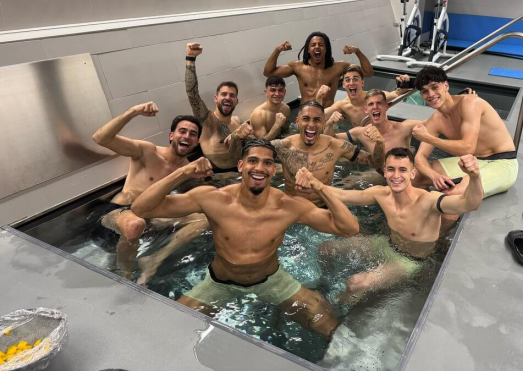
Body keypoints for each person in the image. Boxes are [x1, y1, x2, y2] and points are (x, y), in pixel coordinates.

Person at [131, 139, 360, 337]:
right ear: (241, 165)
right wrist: (183, 172)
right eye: (253, 161)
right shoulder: (213, 199)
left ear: (273, 170)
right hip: (219, 283)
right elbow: (141, 208)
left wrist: (319, 187)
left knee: (330, 327)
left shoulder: (289, 206)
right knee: (171, 326)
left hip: (271, 280)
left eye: (267, 163)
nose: (259, 167)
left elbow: (349, 228)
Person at [310, 147, 483, 302]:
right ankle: (324, 284)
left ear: (412, 174)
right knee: (326, 249)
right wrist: (314, 183)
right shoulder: (381, 194)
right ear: (384, 172)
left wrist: (474, 175)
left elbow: (470, 204)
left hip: (410, 261)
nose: (396, 175)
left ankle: (336, 307)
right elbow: (343, 195)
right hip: (385, 245)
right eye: (391, 169)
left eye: (403, 170)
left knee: (356, 283)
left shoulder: (429, 201)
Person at [92, 102, 205, 278]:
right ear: (171, 135)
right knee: (135, 224)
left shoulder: (189, 169)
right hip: (119, 214)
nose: (187, 136)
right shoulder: (147, 152)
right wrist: (133, 111)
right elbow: (101, 138)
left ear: (197, 142)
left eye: (193, 134)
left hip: (151, 216)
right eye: (182, 131)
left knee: (202, 219)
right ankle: (125, 274)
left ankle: (155, 259)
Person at [412, 66, 518, 228]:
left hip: (503, 163)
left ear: (445, 86)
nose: (431, 94)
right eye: (425, 91)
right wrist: (434, 176)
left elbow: (467, 147)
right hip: (473, 161)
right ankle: (420, 220)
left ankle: (439, 240)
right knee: (416, 176)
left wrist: (428, 138)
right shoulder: (436, 120)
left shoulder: (470, 103)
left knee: (451, 196)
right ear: (421, 95)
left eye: (435, 87)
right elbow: (420, 158)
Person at [269, 101, 385, 203]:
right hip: (293, 208)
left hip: (323, 206)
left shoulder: (336, 145)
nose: (311, 124)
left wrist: (380, 144)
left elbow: (375, 163)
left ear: (324, 123)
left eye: (317, 120)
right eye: (306, 119)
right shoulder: (282, 146)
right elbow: (253, 157)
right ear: (297, 121)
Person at [263, 32, 374, 107]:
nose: (317, 47)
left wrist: (357, 52)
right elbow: (268, 72)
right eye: (313, 45)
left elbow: (368, 73)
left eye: (321, 45)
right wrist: (278, 50)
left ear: (326, 49)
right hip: (305, 113)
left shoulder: (339, 67)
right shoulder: (298, 67)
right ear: (308, 49)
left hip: (327, 113)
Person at [185, 42, 243, 172]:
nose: (228, 97)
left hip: (242, 171)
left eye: (232, 95)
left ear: (236, 101)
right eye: (224, 94)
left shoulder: (238, 121)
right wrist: (190, 59)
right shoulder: (207, 121)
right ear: (216, 99)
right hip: (219, 177)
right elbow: (192, 93)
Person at [326, 88, 423, 158]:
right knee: (345, 183)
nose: (375, 107)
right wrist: (330, 124)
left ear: (386, 106)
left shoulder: (404, 127)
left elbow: (433, 124)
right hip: (378, 173)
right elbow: (330, 139)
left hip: (404, 175)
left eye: (379, 103)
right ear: (366, 110)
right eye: (371, 104)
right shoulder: (360, 133)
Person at [321, 68, 413, 127]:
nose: (351, 83)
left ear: (362, 83)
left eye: (355, 79)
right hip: (364, 144)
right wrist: (318, 98)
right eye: (348, 80)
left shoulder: (376, 97)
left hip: (385, 138)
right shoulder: (342, 106)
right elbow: (319, 116)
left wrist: (405, 81)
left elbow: (398, 93)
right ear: (344, 85)